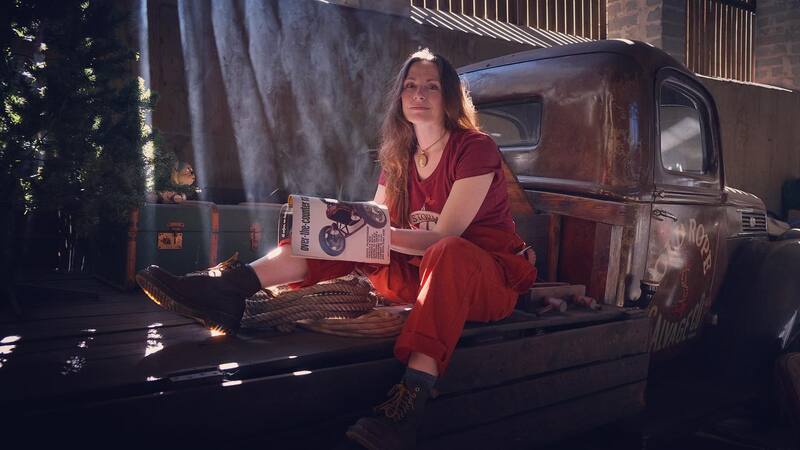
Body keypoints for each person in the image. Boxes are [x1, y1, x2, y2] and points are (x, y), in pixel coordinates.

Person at [136, 48, 536, 450]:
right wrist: (343, 224)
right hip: (418, 278)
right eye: (411, 86)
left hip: (482, 281)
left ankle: (409, 403)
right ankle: (230, 289)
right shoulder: (399, 156)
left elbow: (440, 235)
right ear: (399, 97)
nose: (419, 94)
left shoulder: (475, 148)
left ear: (449, 96)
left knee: (445, 250)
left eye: (432, 86)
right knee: (337, 233)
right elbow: (377, 220)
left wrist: (368, 229)